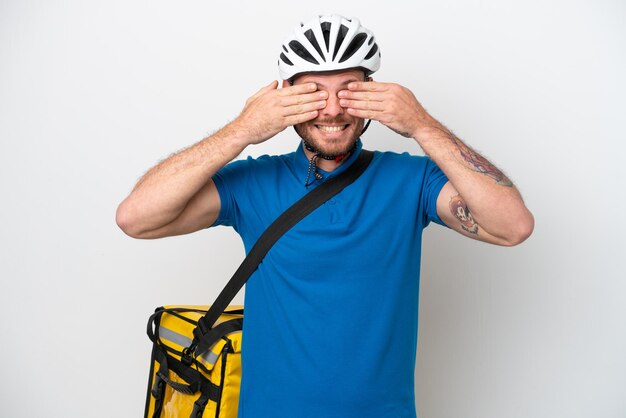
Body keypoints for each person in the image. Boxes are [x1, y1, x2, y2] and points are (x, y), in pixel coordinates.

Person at [117, 14, 534, 418]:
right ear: (286, 97)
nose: (333, 110)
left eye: (349, 91)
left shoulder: (411, 181)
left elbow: (512, 226)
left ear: (374, 92)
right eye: (313, 92)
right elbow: (136, 218)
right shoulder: (254, 183)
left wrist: (422, 125)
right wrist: (243, 129)